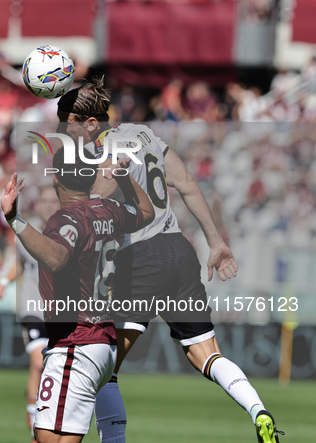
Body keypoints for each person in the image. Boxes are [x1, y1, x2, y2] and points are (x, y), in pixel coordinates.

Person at [56, 78, 283, 443]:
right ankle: (259, 411)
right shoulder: (144, 135)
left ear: (91, 123)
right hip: (179, 251)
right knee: (205, 355)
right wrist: (216, 242)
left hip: (140, 258)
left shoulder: (102, 152)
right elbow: (188, 182)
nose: (64, 131)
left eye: (69, 124)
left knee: (102, 365)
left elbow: (102, 194)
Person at [0, 147, 155, 443]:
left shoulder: (65, 220)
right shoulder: (110, 210)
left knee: (49, 439)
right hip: (101, 341)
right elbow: (146, 212)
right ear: (93, 175)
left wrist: (15, 220)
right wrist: (123, 178)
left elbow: (57, 258)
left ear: (57, 178)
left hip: (76, 343)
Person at [0, 186, 59, 443]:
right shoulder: (26, 231)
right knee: (39, 363)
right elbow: (20, 264)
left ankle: (39, 412)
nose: (48, 205)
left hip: (60, 312)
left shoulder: (69, 231)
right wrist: (3, 282)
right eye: (44, 201)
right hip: (33, 309)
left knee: (49, 369)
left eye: (53, 201)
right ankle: (34, 419)